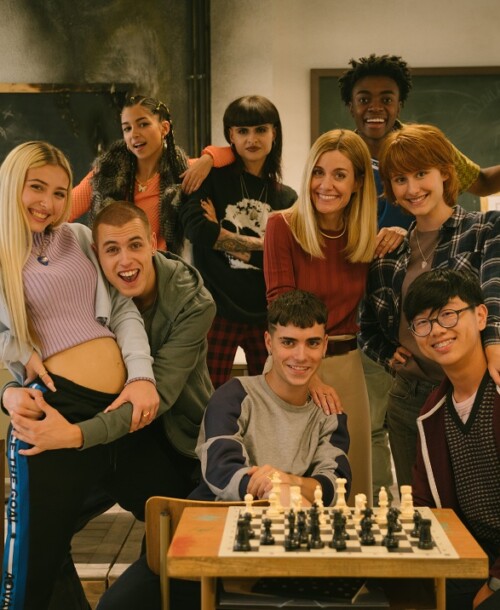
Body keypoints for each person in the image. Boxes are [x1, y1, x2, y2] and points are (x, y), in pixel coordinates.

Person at [97, 289, 351, 610]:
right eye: (288, 342)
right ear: (269, 343)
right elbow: (221, 470)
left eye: (312, 343)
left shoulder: (330, 412)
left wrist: (285, 481)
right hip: (209, 535)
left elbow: (335, 485)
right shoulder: (234, 395)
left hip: (281, 545)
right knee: (117, 604)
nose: (301, 356)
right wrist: (276, 488)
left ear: (325, 345)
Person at [0, 141, 161, 609]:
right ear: (12, 185)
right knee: (35, 559)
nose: (47, 203)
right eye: (36, 188)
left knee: (174, 503)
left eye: (59, 192)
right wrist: (9, 385)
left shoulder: (78, 237)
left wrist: (142, 375)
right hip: (54, 408)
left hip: (117, 410)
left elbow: (123, 310)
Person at [339, 53, 500, 499]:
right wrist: (386, 352)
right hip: (409, 395)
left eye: (422, 175)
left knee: (481, 506)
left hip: (475, 388)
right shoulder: (389, 252)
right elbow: (369, 323)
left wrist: (493, 344)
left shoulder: (484, 230)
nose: (412, 188)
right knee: (421, 508)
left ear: (445, 174)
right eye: (400, 180)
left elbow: (494, 292)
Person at [264, 128, 399, 505]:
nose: (325, 185)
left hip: (347, 367)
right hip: (291, 365)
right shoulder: (282, 226)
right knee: (290, 489)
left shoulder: (364, 237)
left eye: (339, 175)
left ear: (358, 183)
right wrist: (311, 376)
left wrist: (399, 235)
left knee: (351, 489)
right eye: (318, 172)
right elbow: (280, 308)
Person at [180, 95, 297, 388]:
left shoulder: (287, 198)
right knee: (206, 395)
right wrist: (265, 246)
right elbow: (197, 230)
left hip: (265, 312)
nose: (252, 139)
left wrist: (219, 234)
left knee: (272, 395)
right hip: (215, 308)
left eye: (260, 130)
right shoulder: (210, 178)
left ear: (274, 133)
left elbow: (285, 258)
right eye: (242, 131)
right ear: (230, 135)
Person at [404, 268, 500, 610]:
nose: (437, 330)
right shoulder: (432, 412)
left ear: (481, 316)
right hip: (474, 556)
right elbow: (425, 503)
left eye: (448, 314)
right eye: (423, 322)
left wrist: (496, 580)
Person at [70, 94, 231, 254]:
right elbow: (63, 211)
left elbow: (235, 153)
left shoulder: (182, 171)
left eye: (143, 124)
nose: (134, 134)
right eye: (127, 128)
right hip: (113, 266)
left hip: (164, 267)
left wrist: (208, 158)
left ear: (164, 128)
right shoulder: (106, 174)